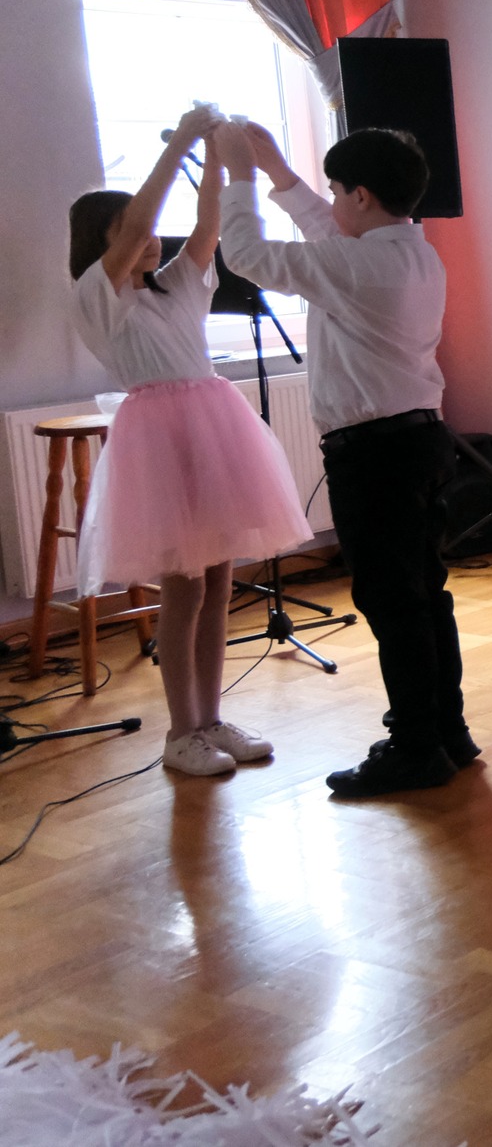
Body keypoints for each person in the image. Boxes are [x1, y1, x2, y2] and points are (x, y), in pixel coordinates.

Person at [214, 121, 471, 798]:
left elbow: (245, 253)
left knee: (393, 603)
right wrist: (280, 173)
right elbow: (329, 236)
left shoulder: (355, 266)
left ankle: (416, 748)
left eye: (335, 191)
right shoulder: (413, 252)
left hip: (377, 455)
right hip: (420, 441)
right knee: (425, 594)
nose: (329, 203)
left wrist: (240, 175)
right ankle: (445, 731)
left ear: (360, 196)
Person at [67, 110, 310, 775]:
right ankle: (180, 733)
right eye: (131, 230)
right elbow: (141, 226)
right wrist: (178, 142)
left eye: (148, 229)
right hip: (161, 445)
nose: (148, 238)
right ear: (102, 242)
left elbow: (206, 229)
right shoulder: (97, 298)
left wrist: (215, 155)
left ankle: (209, 718)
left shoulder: (175, 286)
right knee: (184, 592)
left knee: (219, 586)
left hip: (213, 434)